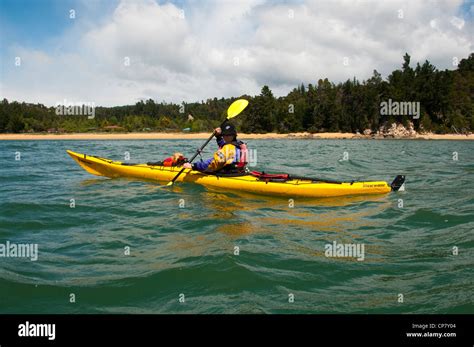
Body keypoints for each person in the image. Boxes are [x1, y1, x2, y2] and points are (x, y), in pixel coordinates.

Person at [183, 123, 248, 173]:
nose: (226, 137)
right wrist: (218, 136)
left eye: (228, 135)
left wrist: (193, 166)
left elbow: (214, 163)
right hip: (236, 171)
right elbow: (224, 145)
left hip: (226, 174)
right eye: (224, 135)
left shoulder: (228, 148)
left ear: (234, 135)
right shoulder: (239, 144)